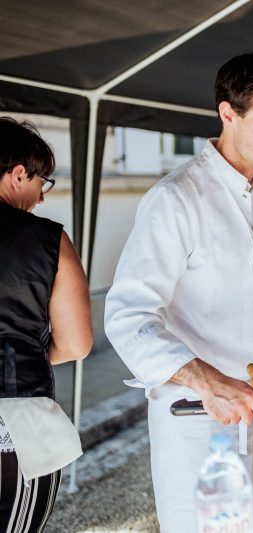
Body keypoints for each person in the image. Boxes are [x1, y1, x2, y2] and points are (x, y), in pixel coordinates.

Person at [104, 52, 253, 531]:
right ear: (228, 113)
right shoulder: (175, 198)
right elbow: (128, 317)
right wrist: (207, 380)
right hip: (195, 422)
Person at [0, 117, 92, 529]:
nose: (40, 198)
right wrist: (28, 352)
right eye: (43, 182)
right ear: (19, 173)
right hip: (17, 424)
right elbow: (75, 344)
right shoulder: (48, 238)